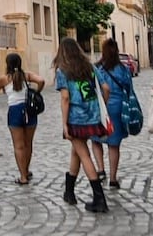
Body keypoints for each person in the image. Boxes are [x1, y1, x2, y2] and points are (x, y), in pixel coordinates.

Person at [53, 37, 109, 212]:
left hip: (76, 118)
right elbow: (106, 88)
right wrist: (102, 107)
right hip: (92, 116)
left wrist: (64, 124)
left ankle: (99, 198)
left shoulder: (63, 71)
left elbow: (65, 97)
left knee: (84, 155)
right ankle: (69, 191)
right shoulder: (90, 67)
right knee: (76, 152)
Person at [0, 52, 45, 185]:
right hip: (29, 110)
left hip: (15, 111)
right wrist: (36, 92)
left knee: (18, 146)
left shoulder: (5, 78)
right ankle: (26, 170)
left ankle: (22, 176)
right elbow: (41, 80)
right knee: (28, 144)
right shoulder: (27, 76)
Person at [91, 38, 135, 189]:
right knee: (114, 144)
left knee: (96, 139)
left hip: (100, 106)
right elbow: (129, 88)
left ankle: (100, 169)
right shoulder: (123, 69)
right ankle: (113, 178)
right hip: (117, 108)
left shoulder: (97, 68)